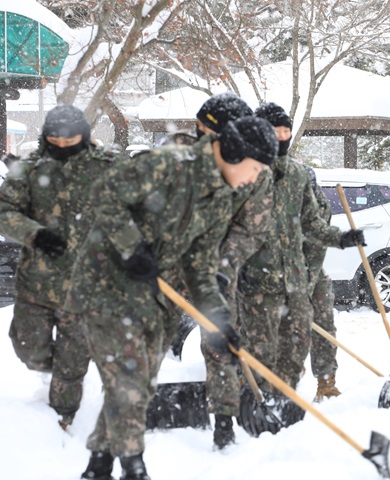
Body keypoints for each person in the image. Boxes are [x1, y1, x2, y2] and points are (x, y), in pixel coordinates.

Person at [64, 115, 275, 480]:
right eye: (256, 168)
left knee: (138, 384)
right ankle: (134, 466)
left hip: (150, 297)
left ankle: (98, 464)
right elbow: (104, 194)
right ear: (236, 153)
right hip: (107, 287)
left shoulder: (220, 198)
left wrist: (219, 321)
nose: (255, 178)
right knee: (129, 378)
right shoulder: (169, 166)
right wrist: (131, 247)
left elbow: (200, 264)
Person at [0, 105, 117, 429]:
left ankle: (63, 421)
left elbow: (133, 211)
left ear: (85, 136)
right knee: (29, 350)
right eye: (55, 141)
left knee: (72, 364)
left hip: (86, 287)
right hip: (37, 284)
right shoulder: (28, 170)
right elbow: (4, 210)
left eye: (71, 141)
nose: (63, 148)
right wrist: (34, 234)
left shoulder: (107, 169)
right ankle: (55, 377)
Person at [236, 102, 364, 394]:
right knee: (258, 342)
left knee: (311, 332)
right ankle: (251, 394)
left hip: (303, 267)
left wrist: (329, 247)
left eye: (286, 131)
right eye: (275, 131)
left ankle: (320, 383)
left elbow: (315, 219)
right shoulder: (241, 172)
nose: (282, 137)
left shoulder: (300, 174)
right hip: (256, 274)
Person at [192, 94, 275, 449]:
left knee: (223, 339)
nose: (199, 134)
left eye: (204, 128)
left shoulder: (255, 171)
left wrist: (223, 266)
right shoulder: (187, 160)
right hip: (176, 263)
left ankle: (226, 417)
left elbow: (252, 227)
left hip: (229, 267)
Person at [302, 165, 342, 402]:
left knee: (324, 325)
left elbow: (316, 248)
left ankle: (326, 383)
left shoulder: (320, 206)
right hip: (275, 271)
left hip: (312, 271)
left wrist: (304, 283)